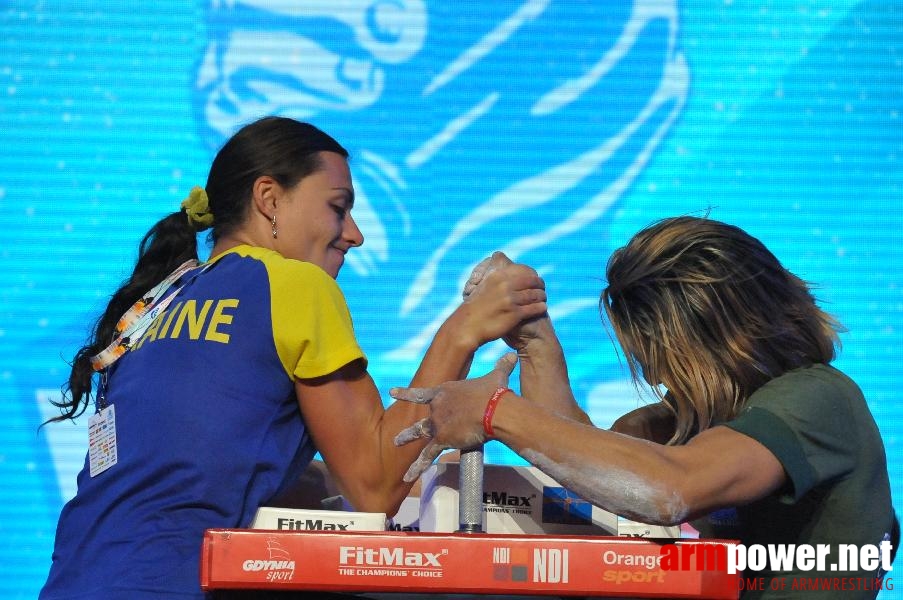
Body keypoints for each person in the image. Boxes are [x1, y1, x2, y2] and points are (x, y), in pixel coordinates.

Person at [39, 116, 548, 600]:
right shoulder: (294, 285)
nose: (355, 233)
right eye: (338, 207)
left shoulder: (157, 304)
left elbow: (199, 463)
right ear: (269, 200)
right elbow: (373, 486)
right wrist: (464, 330)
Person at [393, 216, 896, 598]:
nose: (656, 378)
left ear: (730, 335)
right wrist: (534, 338)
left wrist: (496, 412)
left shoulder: (819, 399)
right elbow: (591, 466)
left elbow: (669, 489)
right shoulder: (701, 417)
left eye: (669, 360)